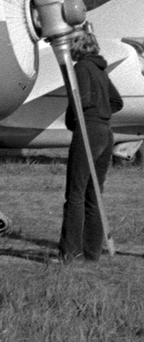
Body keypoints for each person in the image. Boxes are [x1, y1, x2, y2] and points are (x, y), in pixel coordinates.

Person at [59, 28, 123, 261]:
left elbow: (82, 100)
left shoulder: (82, 68)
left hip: (89, 130)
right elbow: (117, 102)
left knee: (75, 194)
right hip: (106, 132)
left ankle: (69, 254)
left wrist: (74, 120)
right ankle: (91, 253)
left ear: (78, 45)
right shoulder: (99, 69)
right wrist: (102, 111)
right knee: (93, 194)